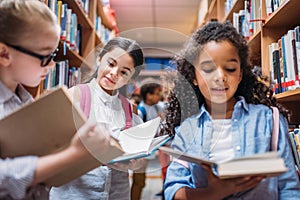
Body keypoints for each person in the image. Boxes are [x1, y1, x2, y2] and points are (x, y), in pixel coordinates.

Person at [161, 21, 300, 199]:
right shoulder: (187, 130)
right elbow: (173, 190)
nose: (220, 77)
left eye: (230, 68)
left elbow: (289, 187)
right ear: (193, 77)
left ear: (240, 74)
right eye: (208, 69)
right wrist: (214, 192)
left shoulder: (269, 119)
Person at [0, 0, 111, 199]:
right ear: (3, 53)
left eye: (54, 54)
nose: (52, 66)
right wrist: (72, 154)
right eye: (44, 56)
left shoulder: (26, 101)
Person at [50, 37, 146, 200]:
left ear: (130, 78)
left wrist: (134, 162)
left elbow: (137, 159)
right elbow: (54, 147)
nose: (114, 73)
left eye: (124, 72)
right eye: (111, 63)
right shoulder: (75, 96)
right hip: (76, 194)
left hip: (117, 193)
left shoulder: (130, 109)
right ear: (99, 59)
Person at [131, 83, 165, 200]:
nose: (159, 96)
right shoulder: (140, 111)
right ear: (148, 95)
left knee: (141, 182)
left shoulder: (157, 107)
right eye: (156, 94)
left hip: (151, 149)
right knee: (139, 182)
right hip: (141, 152)